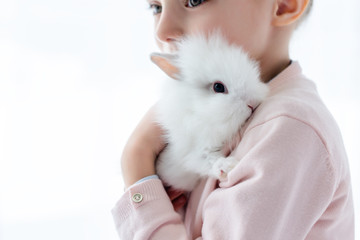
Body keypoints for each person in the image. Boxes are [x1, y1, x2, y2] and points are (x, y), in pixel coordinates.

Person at [112, 0, 355, 239]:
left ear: (283, 5)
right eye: (156, 7)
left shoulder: (288, 129)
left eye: (194, 1)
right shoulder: (222, 112)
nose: (162, 31)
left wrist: (137, 158)